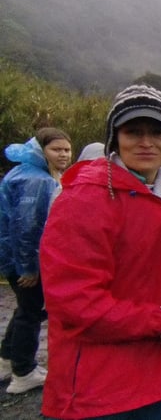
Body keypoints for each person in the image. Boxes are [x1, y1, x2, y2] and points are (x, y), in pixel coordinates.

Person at [38, 85, 161, 419]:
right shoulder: (83, 199)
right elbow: (75, 303)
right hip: (97, 395)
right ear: (114, 138)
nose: (146, 141)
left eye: (157, 131)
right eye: (132, 131)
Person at [0, 127, 71, 394]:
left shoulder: (24, 172)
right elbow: (28, 227)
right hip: (25, 260)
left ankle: (7, 360)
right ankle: (24, 372)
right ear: (41, 151)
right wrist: (29, 267)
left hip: (11, 256)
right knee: (31, 313)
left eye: (66, 149)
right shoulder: (39, 181)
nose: (63, 155)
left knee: (22, 309)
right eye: (56, 149)